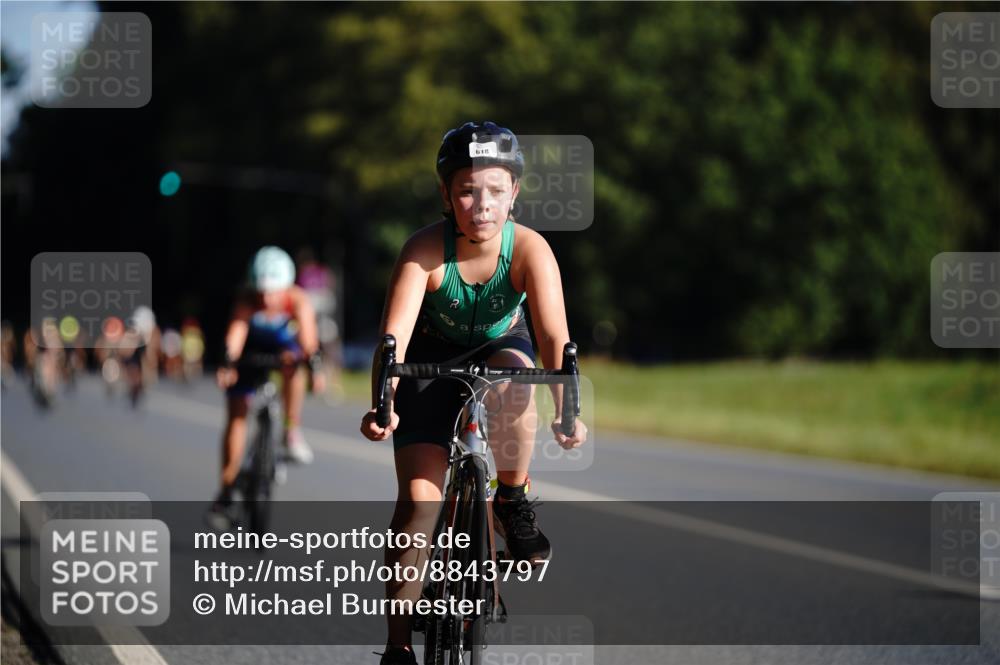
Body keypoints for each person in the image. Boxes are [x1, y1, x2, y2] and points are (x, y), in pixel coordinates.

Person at [359, 121, 588, 664]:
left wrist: (567, 412)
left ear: (514, 193)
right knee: (418, 504)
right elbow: (392, 338)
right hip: (427, 365)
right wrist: (383, 406)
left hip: (499, 350)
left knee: (512, 377)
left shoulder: (530, 248)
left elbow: (555, 336)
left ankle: (511, 497)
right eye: (466, 190)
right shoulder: (423, 251)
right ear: (446, 194)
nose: (480, 204)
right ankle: (396, 646)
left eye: (494, 190)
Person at [207, 246, 325, 528]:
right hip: (251, 351)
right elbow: (235, 335)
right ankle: (227, 489)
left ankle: (290, 430)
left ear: (287, 286)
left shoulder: (297, 299)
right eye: (261, 291)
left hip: (283, 350)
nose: (267, 298)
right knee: (237, 415)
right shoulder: (247, 300)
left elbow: (308, 339)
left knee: (293, 365)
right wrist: (227, 364)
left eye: (274, 291)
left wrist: (315, 368)